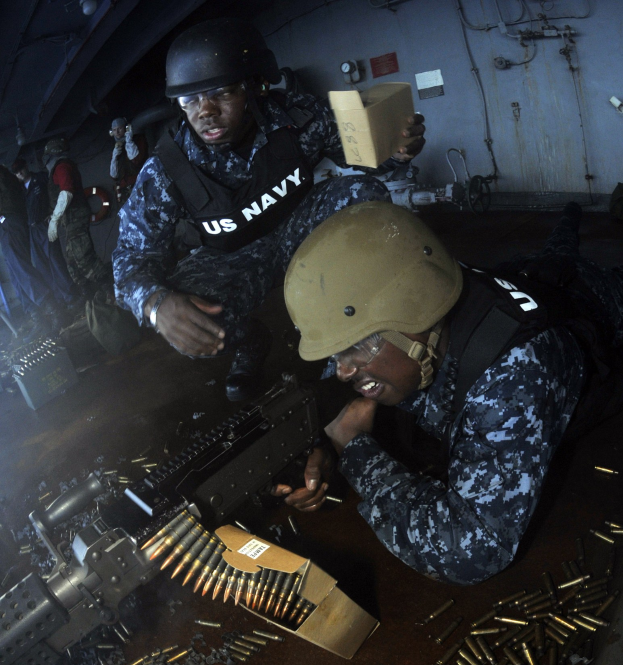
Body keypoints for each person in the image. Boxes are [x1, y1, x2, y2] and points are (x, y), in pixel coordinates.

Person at [278, 201, 623, 585]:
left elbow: (471, 550)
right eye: (336, 354)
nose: (342, 371)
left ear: (415, 322)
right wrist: (322, 445)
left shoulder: (516, 373)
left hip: (594, 300)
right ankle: (570, 215)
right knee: (560, 243)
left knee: (573, 261)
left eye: (356, 349)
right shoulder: (417, 289)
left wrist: (356, 451)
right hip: (528, 271)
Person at [113, 18, 425, 402]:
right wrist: (155, 305)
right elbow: (130, 259)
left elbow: (363, 158)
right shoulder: (165, 171)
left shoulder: (296, 117)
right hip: (237, 259)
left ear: (253, 87)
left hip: (302, 230)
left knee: (363, 194)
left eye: (222, 93)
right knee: (187, 314)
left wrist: (397, 150)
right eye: (190, 100)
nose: (205, 111)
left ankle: (357, 331)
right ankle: (251, 342)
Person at [42, 138, 112, 297]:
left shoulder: (62, 167)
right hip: (69, 220)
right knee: (72, 261)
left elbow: (67, 192)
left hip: (76, 216)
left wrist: (54, 220)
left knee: (83, 257)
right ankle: (90, 297)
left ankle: (111, 292)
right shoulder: (60, 168)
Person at [0, 165, 60, 334]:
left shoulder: (2, 176)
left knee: (20, 267)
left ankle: (52, 308)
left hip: (9, 222)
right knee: (15, 274)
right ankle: (37, 317)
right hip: (6, 225)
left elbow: (9, 200)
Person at [11, 158, 78, 307]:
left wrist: (53, 213)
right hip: (32, 230)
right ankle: (59, 301)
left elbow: (55, 193)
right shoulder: (19, 190)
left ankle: (71, 296)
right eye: (16, 172)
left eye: (20, 169)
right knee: (42, 267)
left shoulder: (41, 178)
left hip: (44, 225)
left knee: (55, 261)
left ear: (26, 166)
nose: (20, 173)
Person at [109, 117, 147, 204]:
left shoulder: (137, 140)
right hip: (126, 191)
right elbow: (114, 176)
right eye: (114, 130)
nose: (117, 132)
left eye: (119, 128)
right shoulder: (116, 149)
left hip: (140, 183)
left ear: (126, 128)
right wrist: (114, 157)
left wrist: (129, 140)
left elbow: (136, 160)